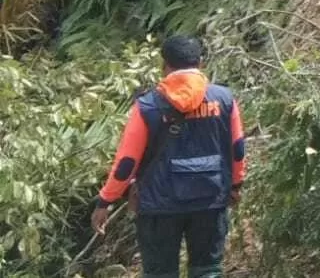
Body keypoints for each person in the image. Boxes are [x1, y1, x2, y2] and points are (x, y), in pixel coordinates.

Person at [91, 36, 246, 278]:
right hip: (210, 199)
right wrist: (236, 185)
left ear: (165, 66)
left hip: (158, 205)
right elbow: (237, 148)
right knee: (207, 270)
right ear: (201, 63)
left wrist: (104, 201)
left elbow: (127, 163)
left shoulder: (148, 106)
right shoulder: (225, 100)